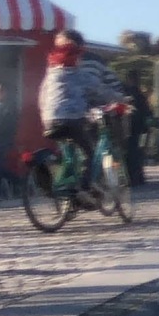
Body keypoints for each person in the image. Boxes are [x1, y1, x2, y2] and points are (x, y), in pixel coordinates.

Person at [38, 30, 123, 203]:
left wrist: (45, 117)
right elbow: (101, 90)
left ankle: (66, 186)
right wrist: (123, 99)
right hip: (74, 119)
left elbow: (41, 96)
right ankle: (84, 188)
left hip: (50, 119)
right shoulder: (80, 74)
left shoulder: (51, 73)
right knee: (90, 153)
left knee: (68, 152)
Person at [122, 75, 152, 186]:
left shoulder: (124, 92)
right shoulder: (139, 94)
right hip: (139, 128)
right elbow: (147, 112)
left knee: (130, 152)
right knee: (137, 152)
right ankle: (138, 176)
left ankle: (132, 176)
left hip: (127, 127)